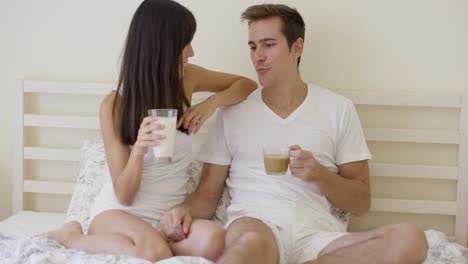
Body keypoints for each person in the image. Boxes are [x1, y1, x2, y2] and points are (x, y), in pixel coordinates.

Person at [161, 4, 429, 264]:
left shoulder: (338, 109)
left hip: (319, 237)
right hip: (256, 227)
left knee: (411, 239)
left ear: (297, 47)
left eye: (268, 44)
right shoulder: (232, 112)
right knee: (248, 245)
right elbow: (207, 194)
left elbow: (361, 202)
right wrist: (181, 211)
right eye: (253, 47)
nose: (258, 56)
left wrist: (320, 175)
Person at [43, 0, 257, 262]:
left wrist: (211, 104)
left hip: (166, 217)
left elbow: (246, 84)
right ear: (162, 47)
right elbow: (124, 194)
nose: (191, 51)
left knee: (215, 240)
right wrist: (139, 151)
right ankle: (73, 236)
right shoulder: (114, 106)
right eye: (185, 43)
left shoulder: (188, 78)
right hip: (119, 215)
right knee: (153, 251)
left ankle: (143, 246)